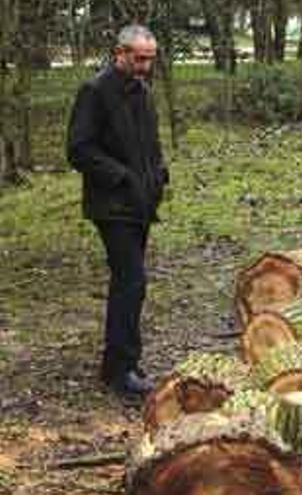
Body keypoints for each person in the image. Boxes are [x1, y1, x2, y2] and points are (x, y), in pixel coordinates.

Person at [67, 25, 168, 396]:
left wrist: (159, 174)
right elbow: (78, 149)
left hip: (141, 203)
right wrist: (122, 177)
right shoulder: (94, 91)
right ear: (119, 53)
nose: (144, 66)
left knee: (129, 283)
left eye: (149, 59)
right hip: (111, 205)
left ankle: (121, 362)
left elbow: (149, 145)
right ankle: (120, 370)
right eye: (138, 58)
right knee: (132, 280)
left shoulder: (143, 92)